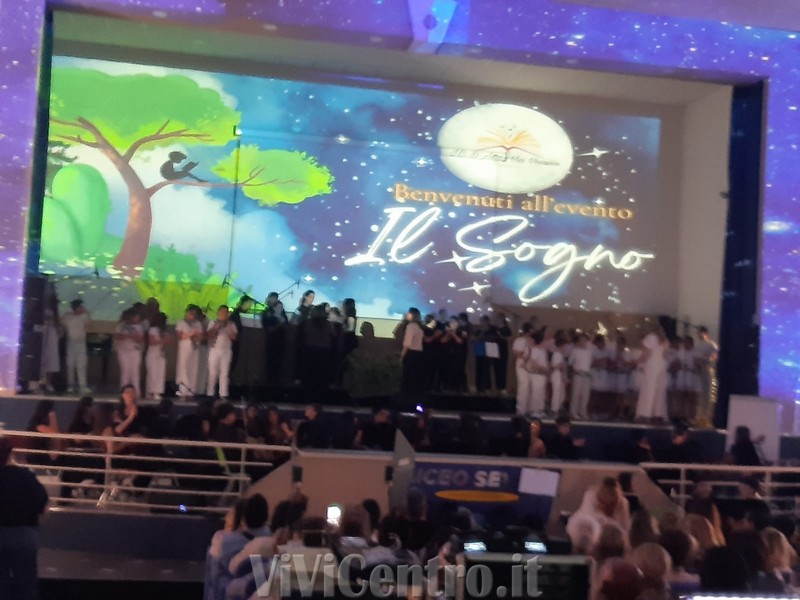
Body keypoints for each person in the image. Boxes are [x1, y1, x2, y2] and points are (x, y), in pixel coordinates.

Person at [0, 438, 49, 600]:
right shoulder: (26, 476)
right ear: (10, 454)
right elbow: (42, 503)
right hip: (24, 535)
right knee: (26, 586)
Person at [635, 325, 669, 422]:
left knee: (649, 388)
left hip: (652, 364)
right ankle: (658, 413)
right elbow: (665, 354)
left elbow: (647, 353)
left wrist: (639, 361)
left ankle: (645, 413)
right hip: (661, 364)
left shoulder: (650, 337)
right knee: (659, 390)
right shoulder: (664, 340)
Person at [206, 305, 238, 400]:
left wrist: (227, 327)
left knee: (224, 373)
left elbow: (234, 337)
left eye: (226, 312)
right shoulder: (213, 322)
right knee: (212, 372)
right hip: (214, 349)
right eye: (222, 312)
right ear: (218, 313)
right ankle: (210, 393)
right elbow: (209, 335)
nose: (224, 314)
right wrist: (217, 326)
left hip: (226, 350)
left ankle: (223, 394)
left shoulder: (231, 324)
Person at [62, 298, 91, 394]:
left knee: (81, 365)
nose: (82, 308)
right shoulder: (67, 316)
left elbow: (89, 326)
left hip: (81, 343)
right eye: (80, 307)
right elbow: (63, 327)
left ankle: (82, 385)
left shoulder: (84, 316)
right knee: (70, 364)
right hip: (71, 343)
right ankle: (71, 385)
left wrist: (86, 313)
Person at [113, 308, 144, 396]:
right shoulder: (121, 325)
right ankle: (124, 391)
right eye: (136, 317)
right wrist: (128, 335)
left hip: (134, 351)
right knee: (125, 371)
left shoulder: (139, 327)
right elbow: (116, 336)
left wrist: (135, 336)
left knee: (135, 371)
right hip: (123, 351)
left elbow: (140, 339)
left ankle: (136, 392)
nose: (138, 318)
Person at [175, 305, 203, 397]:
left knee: (193, 367)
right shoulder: (181, 323)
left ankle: (191, 389)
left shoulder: (197, 324)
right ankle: (183, 389)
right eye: (191, 313)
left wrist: (196, 335)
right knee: (183, 367)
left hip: (195, 348)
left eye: (194, 314)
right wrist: (190, 334)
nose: (192, 315)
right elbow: (180, 336)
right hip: (184, 347)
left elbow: (201, 336)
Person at [695, 326, 719, 426]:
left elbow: (715, 356)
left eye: (701, 333)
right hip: (699, 371)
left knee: (709, 394)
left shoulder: (711, 344)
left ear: (705, 333)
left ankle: (708, 417)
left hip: (709, 369)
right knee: (701, 394)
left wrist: (705, 360)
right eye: (698, 333)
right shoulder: (698, 345)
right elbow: (695, 357)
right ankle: (699, 416)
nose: (699, 335)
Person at [400, 308, 425, 401]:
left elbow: (407, 343)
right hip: (419, 354)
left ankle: (406, 399)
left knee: (408, 377)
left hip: (411, 354)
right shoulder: (419, 326)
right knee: (415, 378)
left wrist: (402, 355)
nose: (407, 314)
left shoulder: (411, 326)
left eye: (409, 313)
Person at [523, 331, 549, 416]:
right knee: (536, 392)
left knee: (541, 393)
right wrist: (543, 368)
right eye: (544, 339)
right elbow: (533, 363)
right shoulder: (535, 350)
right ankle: (533, 410)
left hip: (542, 374)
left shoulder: (543, 350)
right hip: (536, 374)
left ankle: (540, 409)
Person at [569, 334, 593, 420]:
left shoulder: (589, 352)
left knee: (585, 395)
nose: (583, 342)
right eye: (581, 340)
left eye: (585, 340)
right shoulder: (575, 351)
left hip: (586, 375)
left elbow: (590, 362)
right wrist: (575, 371)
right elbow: (570, 363)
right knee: (576, 394)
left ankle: (582, 412)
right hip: (578, 374)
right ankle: (573, 412)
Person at [145, 312, 168, 400]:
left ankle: (157, 392)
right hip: (152, 353)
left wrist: (166, 340)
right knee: (152, 373)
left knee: (160, 373)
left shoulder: (163, 331)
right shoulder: (152, 329)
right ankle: (150, 392)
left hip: (160, 353)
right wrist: (163, 341)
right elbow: (151, 342)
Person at [550, 338, 567, 415]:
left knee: (561, 392)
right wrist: (561, 366)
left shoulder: (561, 355)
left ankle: (559, 407)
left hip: (560, 374)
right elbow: (554, 366)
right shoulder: (556, 354)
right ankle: (554, 409)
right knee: (556, 392)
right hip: (556, 374)